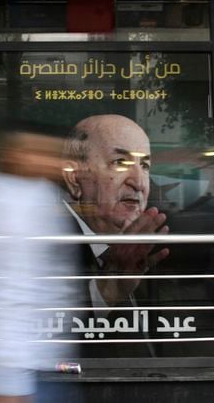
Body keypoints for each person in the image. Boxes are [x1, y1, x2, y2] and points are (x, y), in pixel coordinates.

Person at [0, 129, 80, 403]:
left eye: (53, 154)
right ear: (12, 156)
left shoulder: (43, 196)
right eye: (39, 152)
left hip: (42, 361)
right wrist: (3, 380)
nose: (51, 161)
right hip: (6, 369)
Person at [60, 114, 170, 357]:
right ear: (74, 178)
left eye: (145, 165)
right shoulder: (49, 239)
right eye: (120, 162)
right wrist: (104, 293)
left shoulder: (150, 248)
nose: (139, 183)